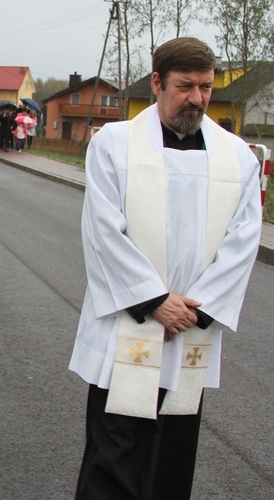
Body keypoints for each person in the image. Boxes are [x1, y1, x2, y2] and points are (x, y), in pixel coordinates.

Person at [70, 37, 262, 499]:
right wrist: (155, 300)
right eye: (185, 86)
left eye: (206, 87)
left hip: (190, 329)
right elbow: (102, 231)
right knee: (115, 454)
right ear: (156, 83)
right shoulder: (114, 145)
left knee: (172, 457)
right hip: (129, 324)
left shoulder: (237, 156)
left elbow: (244, 239)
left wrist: (195, 310)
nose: (197, 98)